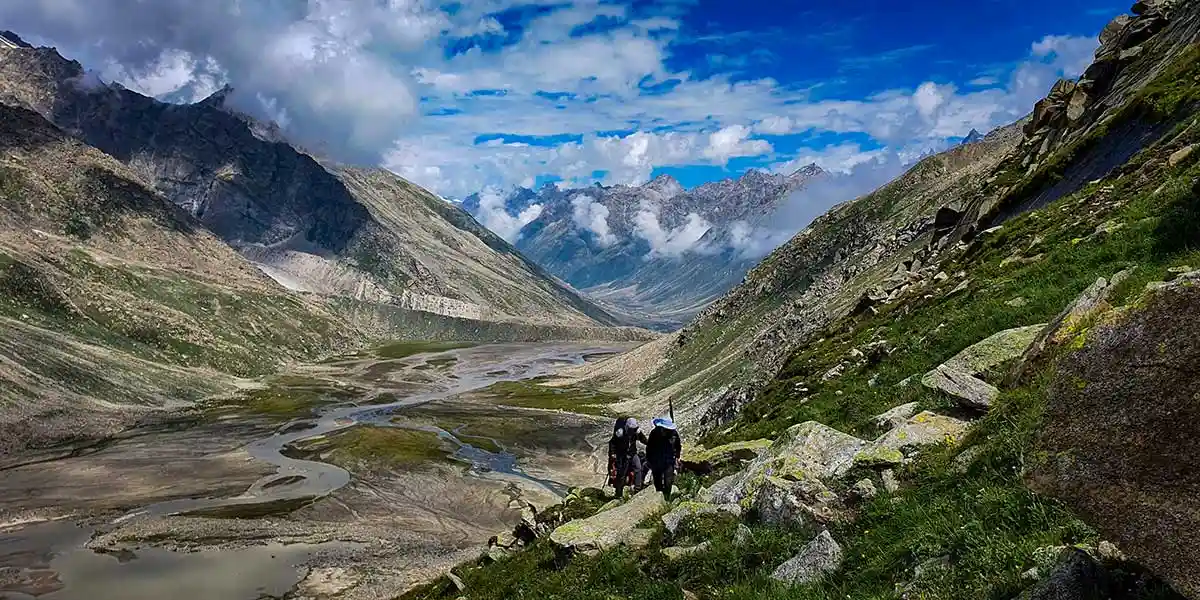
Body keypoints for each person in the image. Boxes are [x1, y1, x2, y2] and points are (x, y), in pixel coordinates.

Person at [607, 416, 648, 498]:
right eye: (631, 429)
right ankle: (618, 493)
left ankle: (637, 488)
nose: (633, 430)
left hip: (632, 453)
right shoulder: (620, 432)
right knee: (622, 473)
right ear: (627, 427)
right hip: (622, 455)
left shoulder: (636, 431)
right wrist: (612, 453)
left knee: (638, 468)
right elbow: (612, 443)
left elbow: (643, 439)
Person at [646, 417, 682, 502]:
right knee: (657, 481)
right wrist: (649, 460)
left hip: (669, 460)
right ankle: (659, 498)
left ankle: (667, 499)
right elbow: (649, 447)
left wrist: (677, 456)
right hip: (656, 461)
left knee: (668, 481)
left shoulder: (674, 433)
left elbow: (678, 445)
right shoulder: (654, 433)